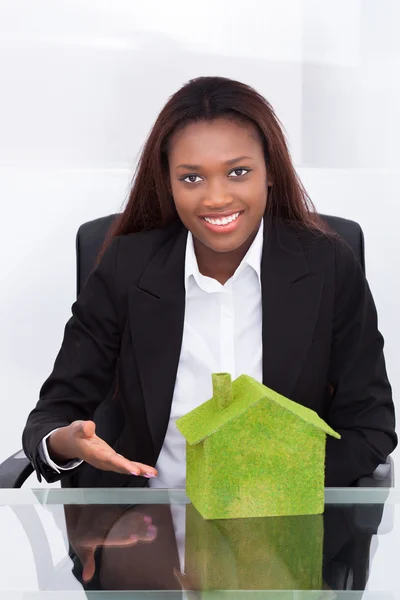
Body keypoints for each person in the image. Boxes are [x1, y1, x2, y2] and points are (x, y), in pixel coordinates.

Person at [23, 75, 396, 491]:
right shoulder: (125, 267)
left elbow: (371, 424)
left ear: (269, 172)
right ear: (168, 180)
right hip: (146, 535)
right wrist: (65, 444)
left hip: (284, 529)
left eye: (238, 172)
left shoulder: (327, 265)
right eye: (192, 178)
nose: (216, 198)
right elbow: (52, 416)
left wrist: (283, 484)